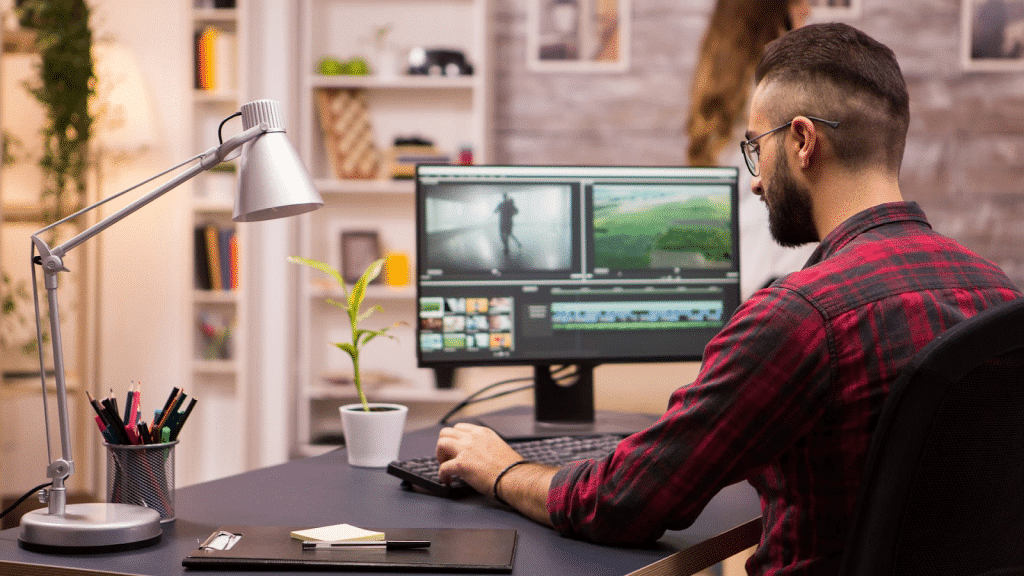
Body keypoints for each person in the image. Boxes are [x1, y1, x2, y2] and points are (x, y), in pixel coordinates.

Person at [436, 23, 1022, 575]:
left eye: (754, 148)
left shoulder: (798, 318)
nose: (755, 180)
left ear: (801, 141)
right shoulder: (999, 296)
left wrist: (503, 470)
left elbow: (623, 501)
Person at [686, 0, 815, 299]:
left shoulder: (720, 97)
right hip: (775, 283)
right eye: (798, 7)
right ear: (773, 15)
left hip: (732, 281)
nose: (807, 12)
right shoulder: (782, 91)